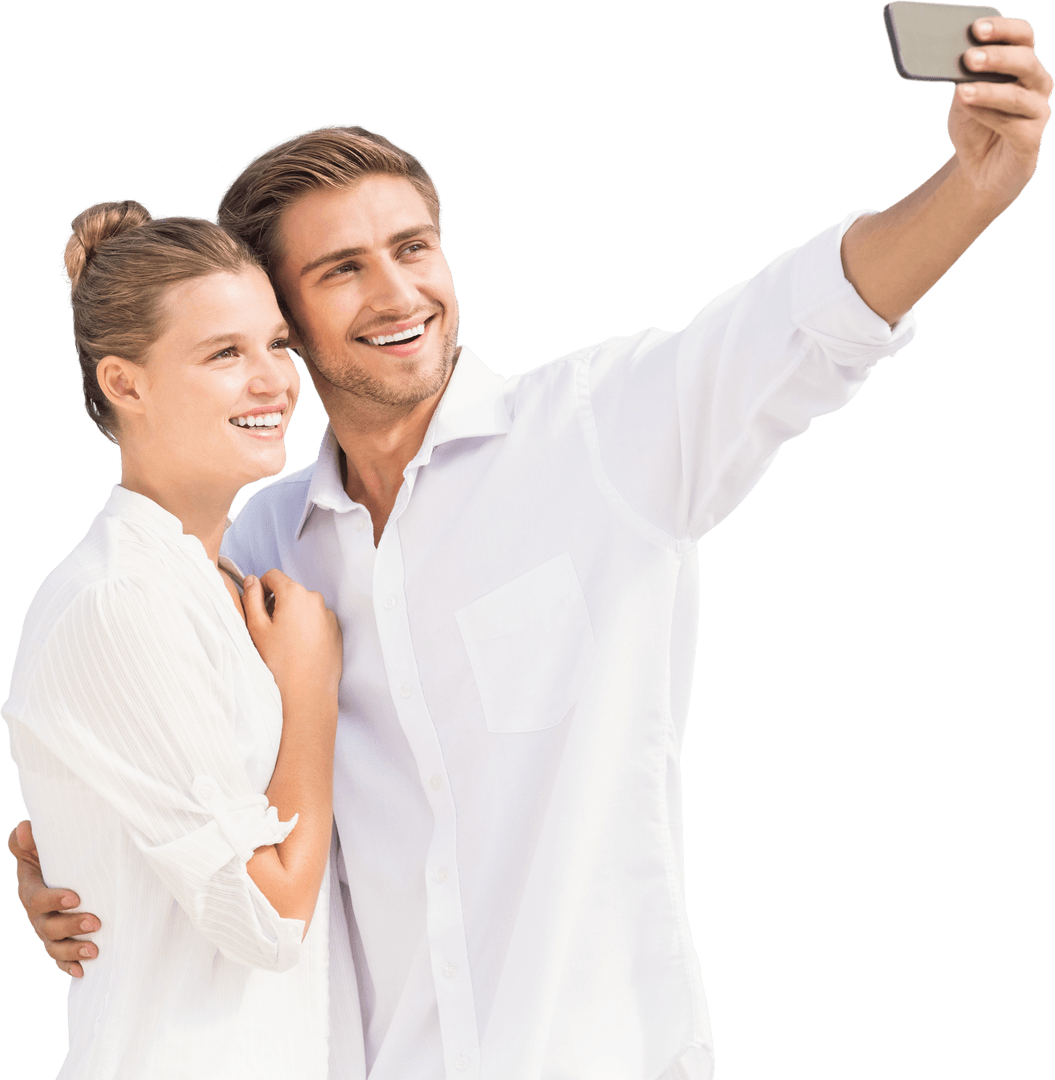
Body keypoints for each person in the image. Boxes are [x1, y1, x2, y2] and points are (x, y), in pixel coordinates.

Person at [10, 15, 1051, 1080]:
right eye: (342, 271)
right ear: (287, 319)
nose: (399, 293)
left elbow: (810, 316)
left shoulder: (601, 434)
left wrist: (972, 185)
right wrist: (66, 859)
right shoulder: (268, 550)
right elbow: (157, 739)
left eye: (413, 248)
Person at [3, 202, 349, 1078]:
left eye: (276, 344)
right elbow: (268, 920)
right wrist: (310, 695)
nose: (272, 380)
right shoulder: (120, 599)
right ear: (125, 383)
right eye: (224, 354)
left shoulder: (224, 578)